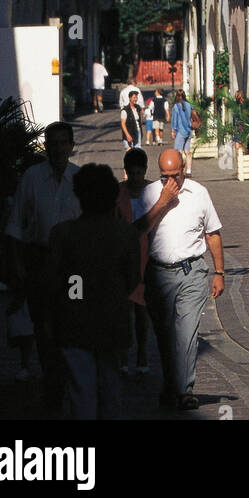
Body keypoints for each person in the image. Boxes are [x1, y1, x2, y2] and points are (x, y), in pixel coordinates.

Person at [133, 148, 224, 412]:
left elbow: (213, 234)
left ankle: (184, 390)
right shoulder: (150, 194)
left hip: (192, 271)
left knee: (186, 333)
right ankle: (172, 386)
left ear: (184, 169)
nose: (171, 182)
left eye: (175, 175)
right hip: (159, 273)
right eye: (164, 177)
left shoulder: (199, 194)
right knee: (164, 335)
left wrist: (219, 272)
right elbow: (138, 230)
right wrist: (162, 201)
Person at [48, 164, 141, 420]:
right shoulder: (126, 234)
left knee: (81, 391)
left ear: (79, 196)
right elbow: (133, 279)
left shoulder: (63, 234)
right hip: (113, 322)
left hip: (74, 323)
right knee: (111, 388)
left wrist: (74, 296)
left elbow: (56, 281)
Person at [5, 121, 81, 405]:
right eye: (54, 143)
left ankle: (69, 382)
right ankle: (54, 385)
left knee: (73, 322)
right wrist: (19, 269)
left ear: (72, 147)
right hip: (40, 263)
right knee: (45, 327)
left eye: (64, 143)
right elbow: (15, 227)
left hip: (74, 270)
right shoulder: (32, 178)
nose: (59, 148)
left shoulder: (80, 179)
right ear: (46, 147)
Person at [115, 149, 151, 376]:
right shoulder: (118, 193)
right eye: (132, 173)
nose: (137, 178)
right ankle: (124, 355)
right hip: (123, 260)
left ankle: (142, 353)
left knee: (142, 311)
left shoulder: (154, 191)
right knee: (124, 311)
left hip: (148, 258)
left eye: (140, 173)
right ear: (126, 172)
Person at [170, 90, 195, 176]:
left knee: (179, 152)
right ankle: (189, 170)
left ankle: (181, 169)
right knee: (187, 151)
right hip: (188, 130)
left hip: (180, 131)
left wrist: (173, 131)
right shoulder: (189, 105)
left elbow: (174, 120)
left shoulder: (176, 107)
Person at [121, 90, 142, 156]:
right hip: (129, 132)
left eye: (136, 97)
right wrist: (127, 135)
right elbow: (123, 124)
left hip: (137, 131)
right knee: (129, 152)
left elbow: (139, 120)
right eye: (134, 97)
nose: (135, 99)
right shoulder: (125, 110)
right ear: (130, 98)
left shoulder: (138, 108)